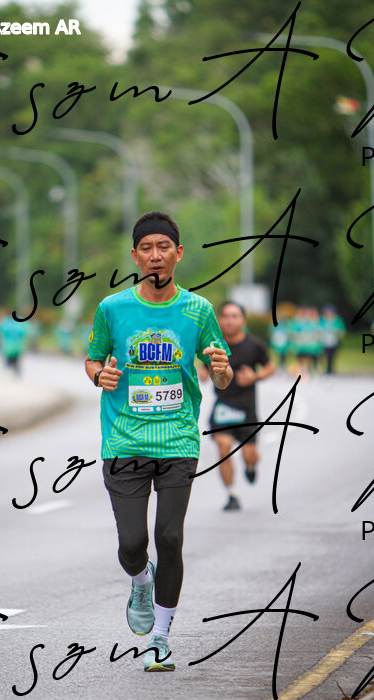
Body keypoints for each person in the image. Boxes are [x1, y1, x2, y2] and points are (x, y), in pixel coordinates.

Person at [85, 211, 232, 672]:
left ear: (178, 253)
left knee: (169, 537)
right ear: (135, 256)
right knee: (133, 544)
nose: (155, 255)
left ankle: (161, 639)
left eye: (163, 246)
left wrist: (222, 371)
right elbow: (92, 360)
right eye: (146, 247)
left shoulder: (198, 310)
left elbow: (221, 371)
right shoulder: (112, 309)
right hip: (124, 439)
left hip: (178, 439)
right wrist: (100, 375)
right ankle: (140, 580)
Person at [202, 301, 275, 511]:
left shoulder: (254, 345)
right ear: (220, 320)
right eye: (225, 316)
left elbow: (270, 367)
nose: (230, 320)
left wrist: (256, 376)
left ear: (243, 320)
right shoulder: (214, 345)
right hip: (223, 407)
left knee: (250, 455)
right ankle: (231, 494)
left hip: (247, 410)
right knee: (223, 448)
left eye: (234, 316)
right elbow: (204, 369)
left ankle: (250, 466)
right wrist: (202, 373)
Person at [319, 304, 346, 375]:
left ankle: (330, 370)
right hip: (323, 342)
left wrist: (338, 333)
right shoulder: (321, 320)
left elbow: (342, 331)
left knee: (332, 356)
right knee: (323, 356)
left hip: (334, 341)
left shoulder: (338, 320)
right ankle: (324, 369)